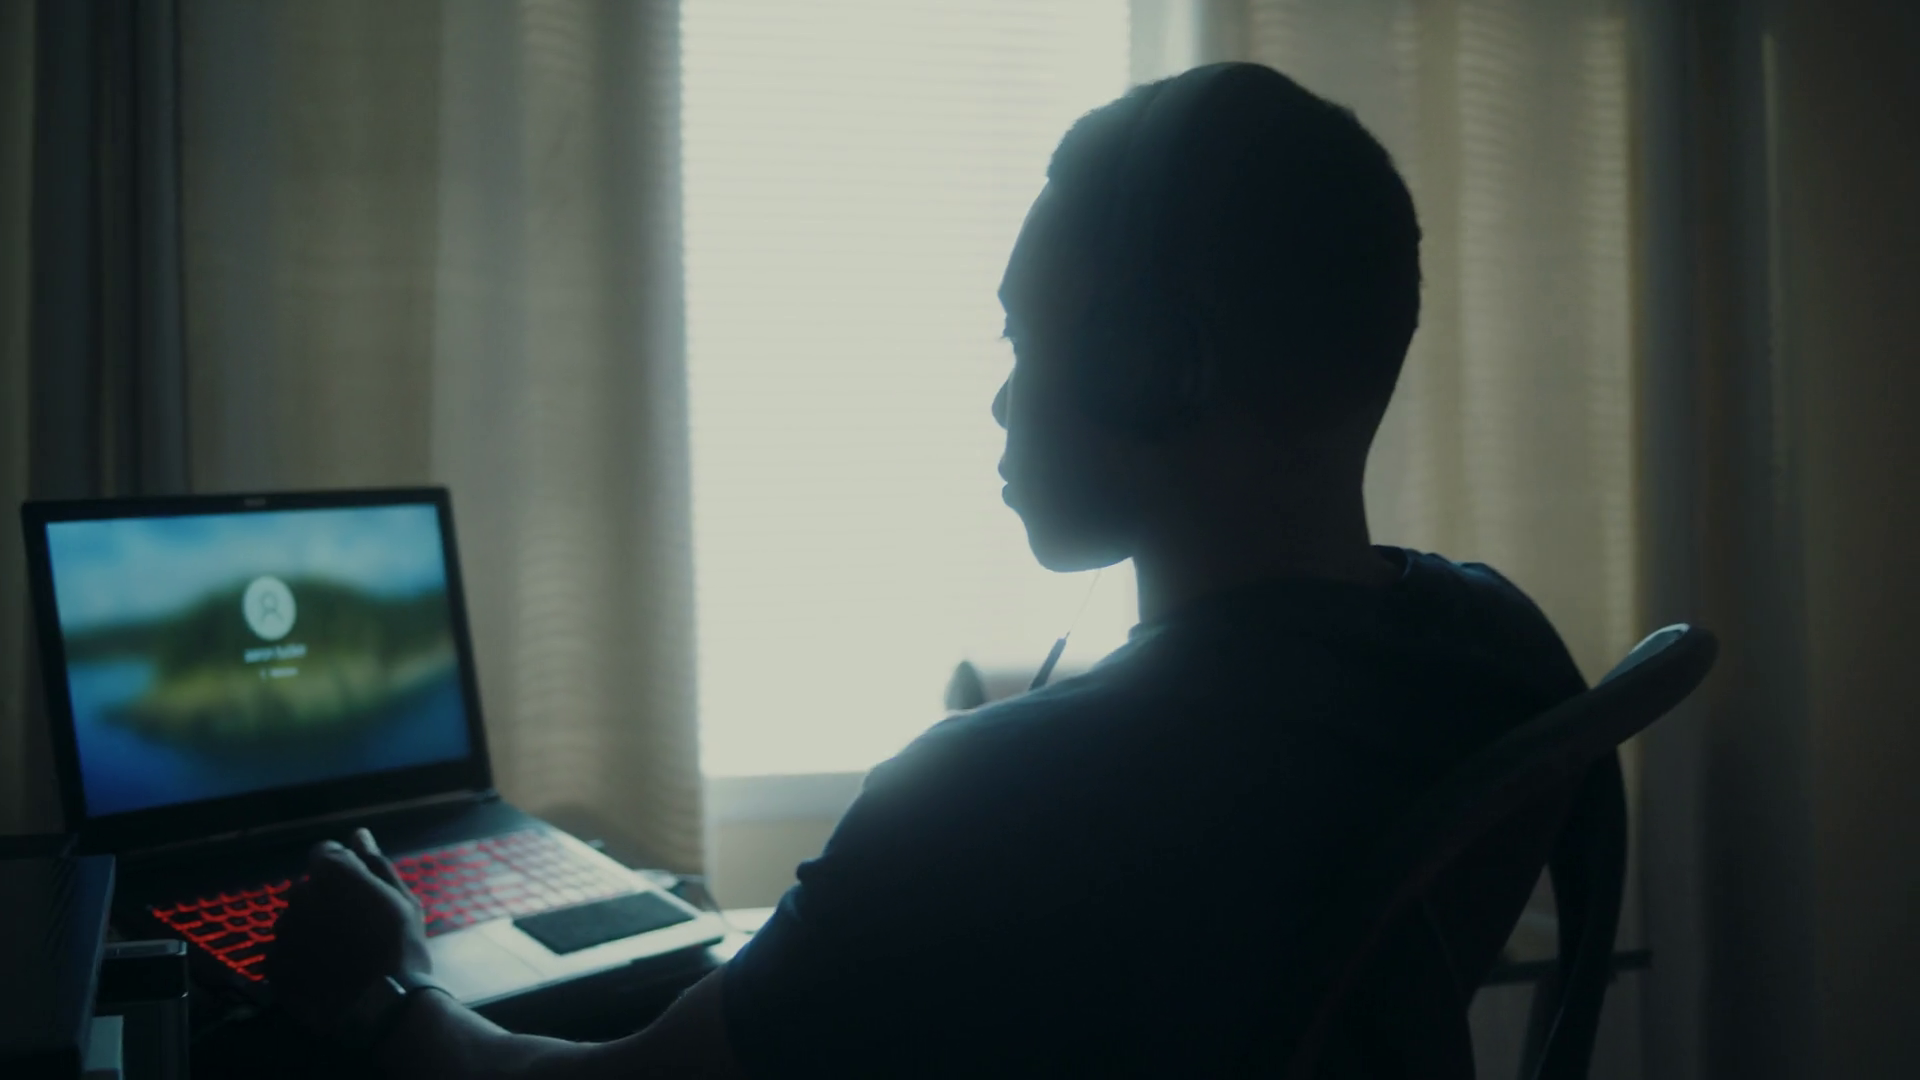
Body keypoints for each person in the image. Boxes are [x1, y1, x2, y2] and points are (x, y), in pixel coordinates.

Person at [270, 62, 1586, 1077]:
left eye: (1026, 339)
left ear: (1154, 367)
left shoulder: (996, 799)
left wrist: (393, 995)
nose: (1004, 399)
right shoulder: (1498, 651)